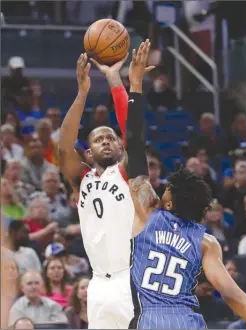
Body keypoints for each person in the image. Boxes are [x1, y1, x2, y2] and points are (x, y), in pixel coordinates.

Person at [125, 64, 246, 330]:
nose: (160, 191)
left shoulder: (147, 214)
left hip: (149, 320)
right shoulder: (207, 242)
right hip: (188, 322)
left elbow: (134, 146)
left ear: (168, 202)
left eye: (165, 189)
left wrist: (135, 85)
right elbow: (232, 295)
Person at [59, 40, 154, 329]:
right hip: (98, 283)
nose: (105, 141)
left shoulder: (127, 173)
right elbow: (64, 146)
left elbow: (134, 135)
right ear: (88, 154)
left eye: (111, 138)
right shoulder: (81, 179)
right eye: (98, 139)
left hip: (131, 277)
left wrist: (119, 82)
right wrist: (82, 93)